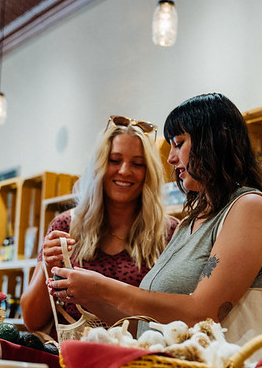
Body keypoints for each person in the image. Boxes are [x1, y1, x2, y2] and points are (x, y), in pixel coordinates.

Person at [48, 92, 262, 330]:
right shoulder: (188, 224)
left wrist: (104, 288)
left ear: (214, 141)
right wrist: (91, 299)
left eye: (179, 144)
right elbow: (146, 329)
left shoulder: (249, 207)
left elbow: (203, 313)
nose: (170, 158)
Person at [20, 115, 179, 333]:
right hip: (69, 362)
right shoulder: (66, 225)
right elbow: (32, 320)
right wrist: (48, 265)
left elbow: (175, 320)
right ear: (99, 166)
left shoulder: (169, 233)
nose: (124, 170)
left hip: (140, 363)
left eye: (137, 164)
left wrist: (98, 295)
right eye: (114, 160)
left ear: (148, 173)